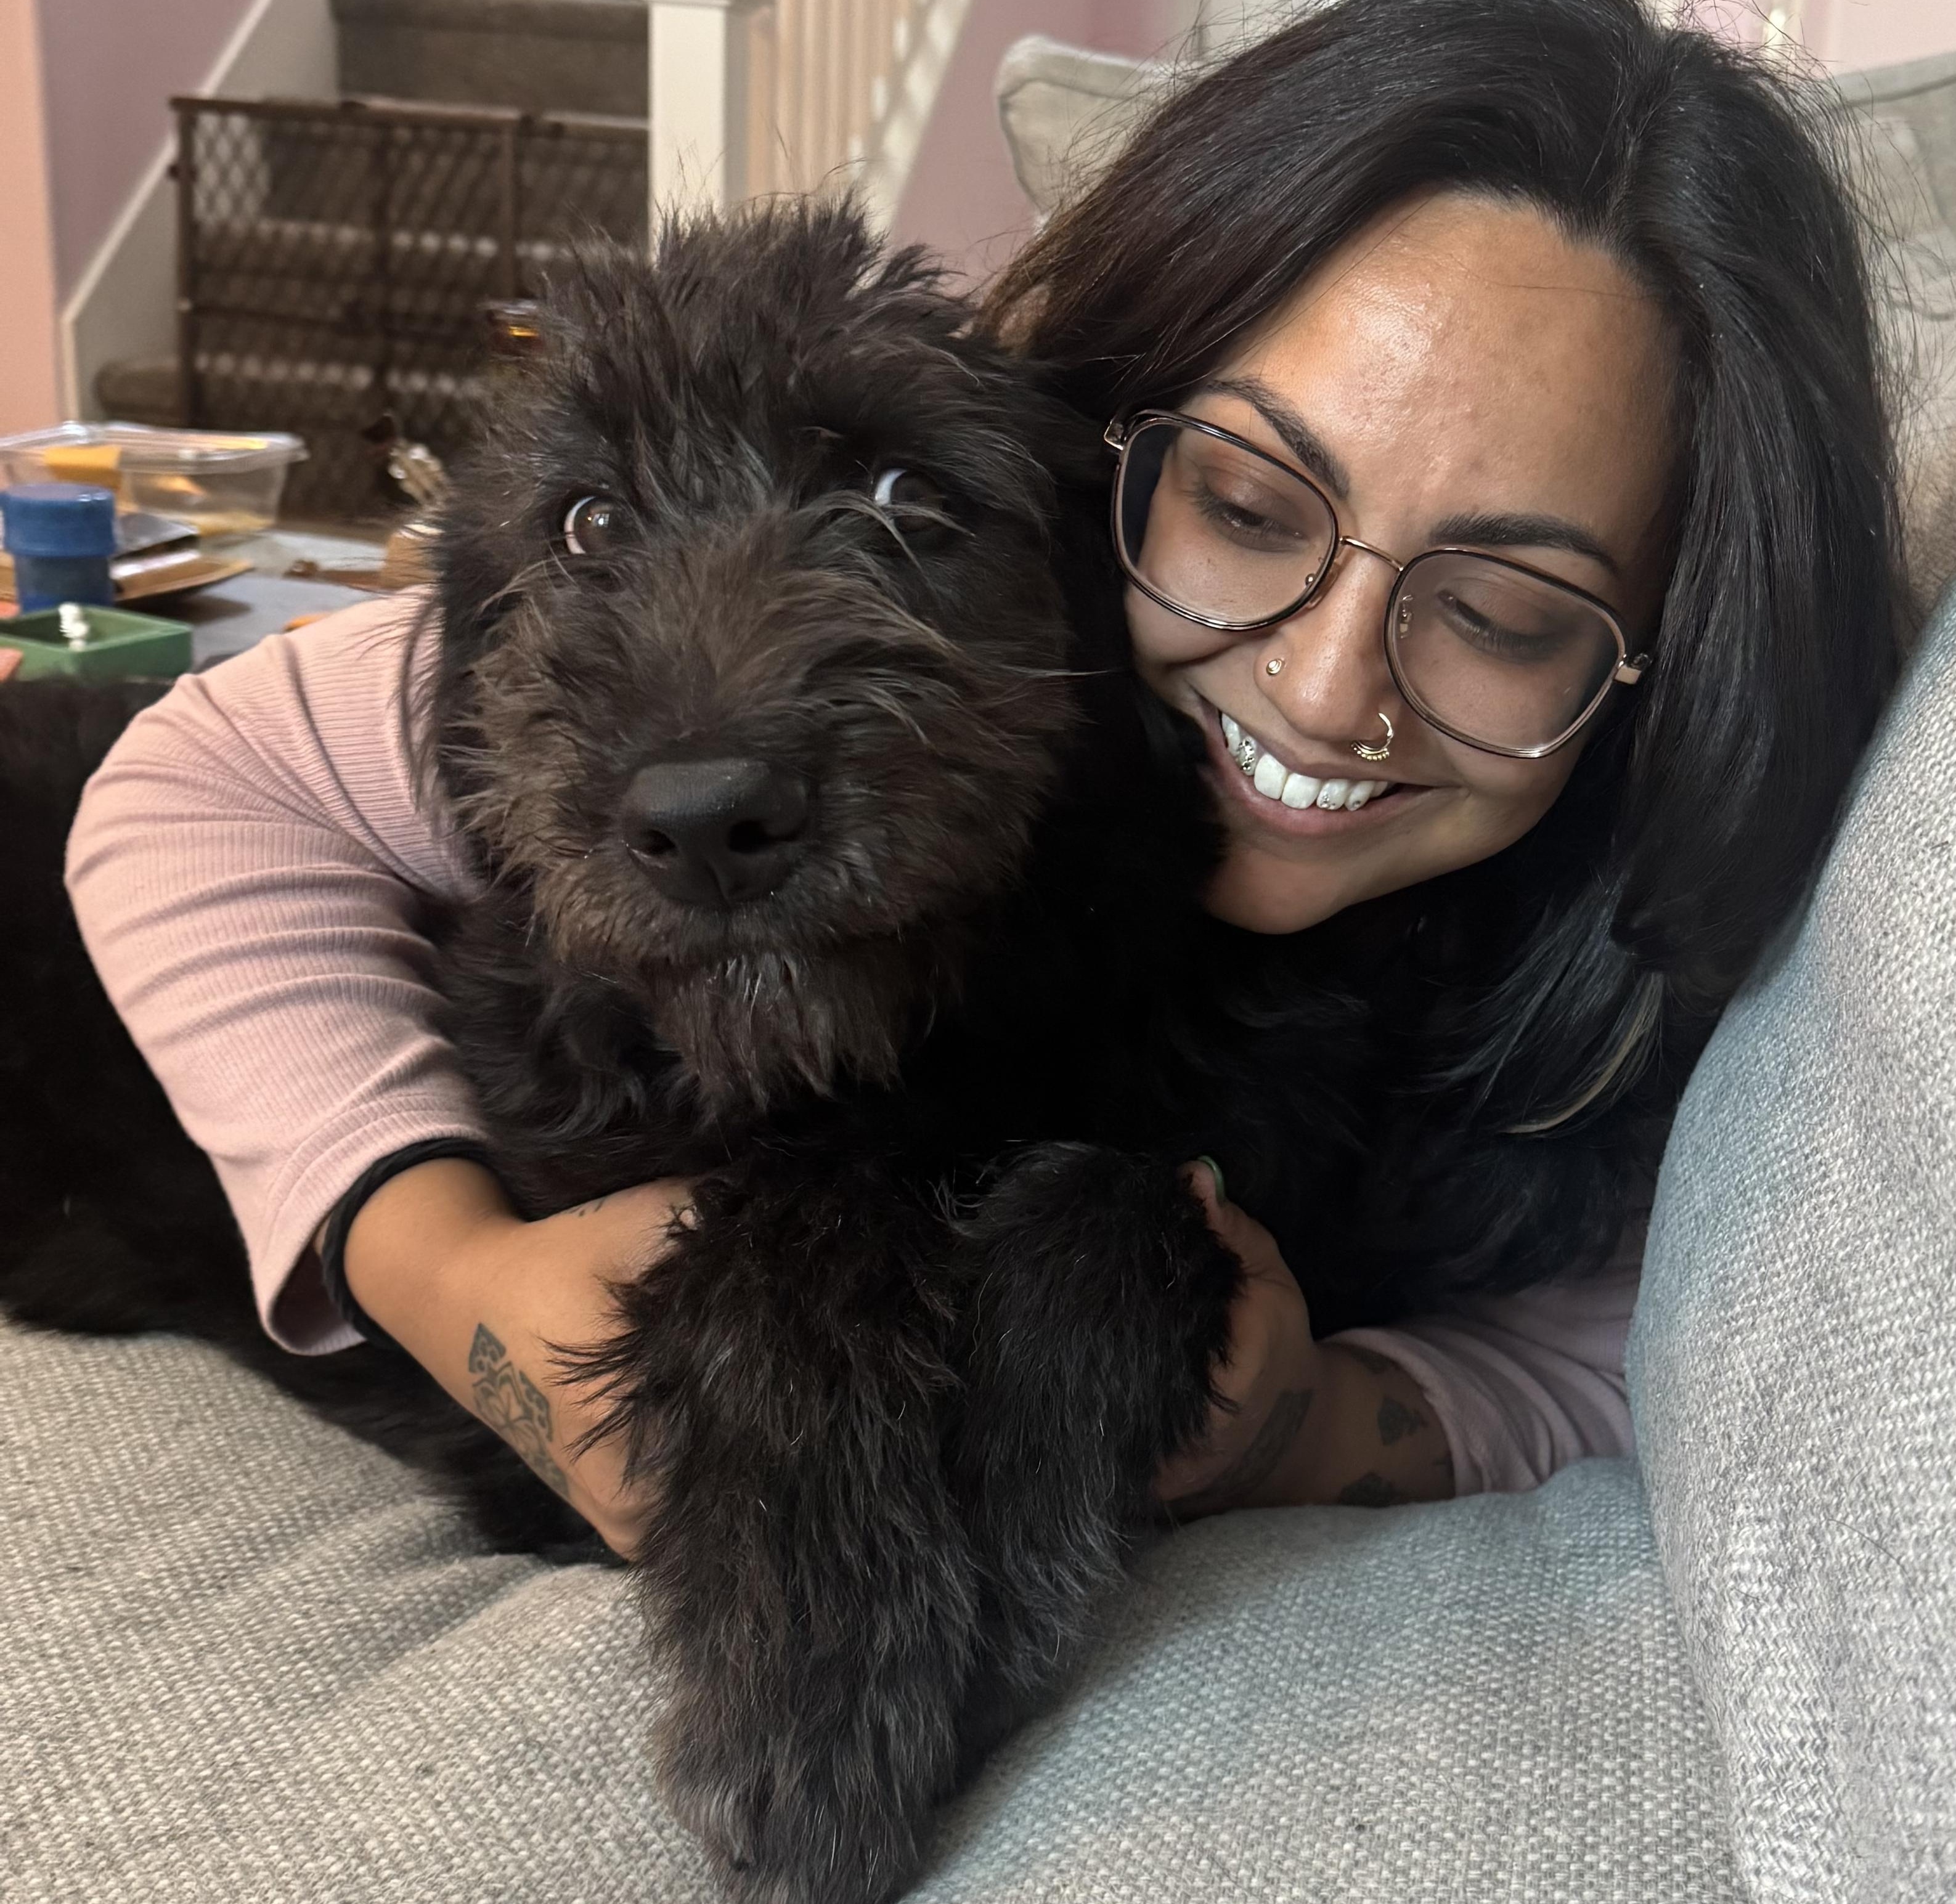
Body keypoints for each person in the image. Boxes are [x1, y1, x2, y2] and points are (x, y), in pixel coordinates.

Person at [65, 0, 1904, 1556]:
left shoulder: (1639, 928)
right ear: (1102, 444)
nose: (1327, 689)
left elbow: (1618, 1346)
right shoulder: (968, 548)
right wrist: (444, 1271)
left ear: (1670, 656)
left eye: (1504, 612)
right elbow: (189, 789)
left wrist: (1317, 1425)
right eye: (1250, 510)